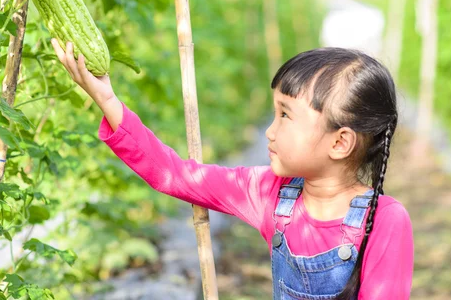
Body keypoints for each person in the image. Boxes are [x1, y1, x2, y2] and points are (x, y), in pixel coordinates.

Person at [51, 39, 414, 300]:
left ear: (340, 142)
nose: (270, 131)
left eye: (285, 115)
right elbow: (175, 174)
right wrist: (107, 99)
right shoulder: (268, 192)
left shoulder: (384, 221)